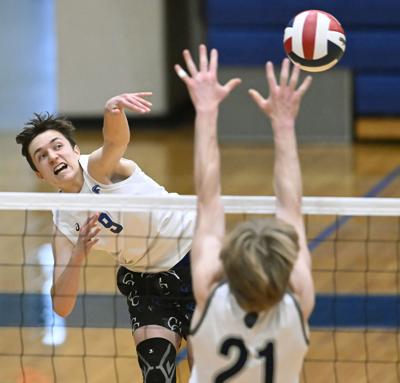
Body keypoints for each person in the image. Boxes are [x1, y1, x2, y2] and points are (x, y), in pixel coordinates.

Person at [16, 92, 196, 382]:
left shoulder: (99, 169)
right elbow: (62, 307)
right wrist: (78, 255)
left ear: (75, 151)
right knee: (157, 375)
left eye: (57, 146)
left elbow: (116, 142)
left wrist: (113, 111)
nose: (53, 157)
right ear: (40, 174)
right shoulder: (63, 219)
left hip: (194, 257)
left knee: (205, 371)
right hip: (146, 281)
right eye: (42, 156)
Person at [175, 45, 314, 382]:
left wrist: (206, 111)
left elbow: (208, 200)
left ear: (229, 265)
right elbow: (291, 206)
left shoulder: (209, 294)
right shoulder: (296, 301)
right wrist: (284, 124)